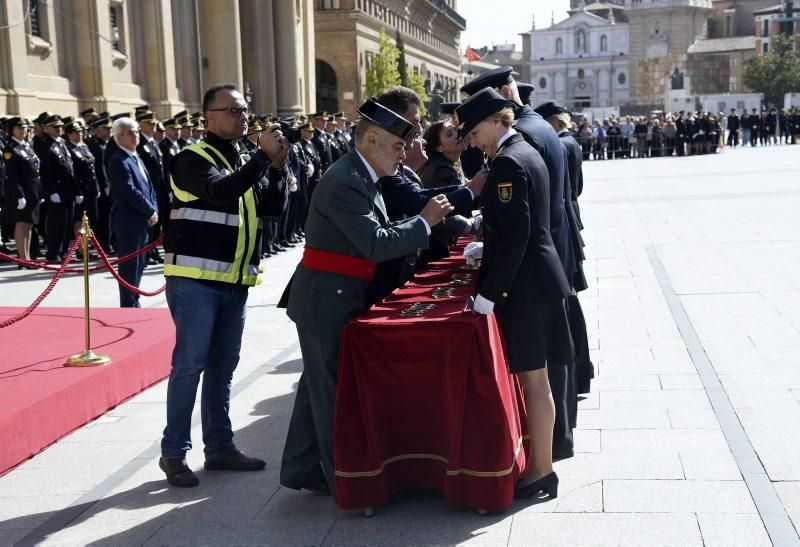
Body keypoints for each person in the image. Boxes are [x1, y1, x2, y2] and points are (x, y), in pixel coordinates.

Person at [279, 98, 454, 498]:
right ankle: (342, 481)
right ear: (372, 139)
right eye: (396, 146)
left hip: (339, 293)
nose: (402, 155)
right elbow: (375, 243)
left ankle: (303, 467)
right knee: (329, 395)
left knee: (315, 389)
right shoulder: (346, 180)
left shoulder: (361, 174)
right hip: (326, 300)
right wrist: (424, 221)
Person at [159, 83, 289, 488]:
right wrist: (261, 160)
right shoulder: (191, 158)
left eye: (245, 109)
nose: (242, 116)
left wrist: (278, 167)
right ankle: (174, 453)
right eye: (232, 110)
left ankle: (218, 449)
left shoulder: (244, 161)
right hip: (195, 280)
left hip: (234, 282)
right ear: (208, 117)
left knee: (223, 369)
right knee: (190, 366)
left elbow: (272, 208)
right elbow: (220, 192)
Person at [455, 88, 572, 500]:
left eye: (473, 132)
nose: (471, 141)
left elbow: (518, 237)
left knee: (534, 381)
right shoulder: (524, 150)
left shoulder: (506, 163)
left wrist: (490, 292)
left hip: (525, 287)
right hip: (539, 279)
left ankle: (542, 471)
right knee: (536, 380)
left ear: (494, 120)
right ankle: (542, 466)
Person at [107, 117, 158, 307]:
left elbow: (149, 187)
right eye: (130, 132)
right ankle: (128, 305)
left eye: (136, 131)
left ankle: (134, 301)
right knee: (129, 269)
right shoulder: (119, 161)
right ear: (119, 137)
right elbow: (129, 191)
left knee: (139, 266)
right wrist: (150, 210)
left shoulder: (135, 157)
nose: (136, 135)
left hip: (142, 221)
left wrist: (154, 209)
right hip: (129, 223)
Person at [40, 115, 82, 263]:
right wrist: (51, 192)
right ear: (47, 128)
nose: (59, 129)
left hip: (68, 190)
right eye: (55, 127)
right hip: (57, 191)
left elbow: (70, 170)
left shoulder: (61, 143)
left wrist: (77, 191)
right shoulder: (45, 144)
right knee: (57, 224)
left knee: (67, 223)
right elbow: (46, 171)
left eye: (60, 127)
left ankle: (64, 252)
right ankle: (53, 253)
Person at [3, 117, 42, 263]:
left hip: (33, 192)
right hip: (22, 193)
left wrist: (40, 191)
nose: (23, 131)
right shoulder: (10, 149)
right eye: (19, 128)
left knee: (29, 224)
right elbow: (12, 176)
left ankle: (27, 257)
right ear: (12, 130)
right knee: (21, 223)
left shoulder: (26, 146)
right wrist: (19, 195)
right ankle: (22, 258)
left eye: (24, 128)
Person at [136, 110, 169, 264]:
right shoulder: (140, 144)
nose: (154, 126)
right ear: (141, 125)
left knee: (158, 222)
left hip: (158, 190)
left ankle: (153, 249)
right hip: (148, 190)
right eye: (150, 123)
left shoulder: (152, 143)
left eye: (155, 123)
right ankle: (146, 251)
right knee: (150, 221)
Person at [64, 119, 100, 247]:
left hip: (90, 188)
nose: (79, 134)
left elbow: (92, 169)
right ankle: (80, 248)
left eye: (80, 132)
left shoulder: (84, 146)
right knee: (79, 220)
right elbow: (72, 173)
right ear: (69, 134)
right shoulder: (69, 149)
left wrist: (97, 187)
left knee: (89, 219)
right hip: (80, 189)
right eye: (75, 132)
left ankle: (86, 246)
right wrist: (77, 191)